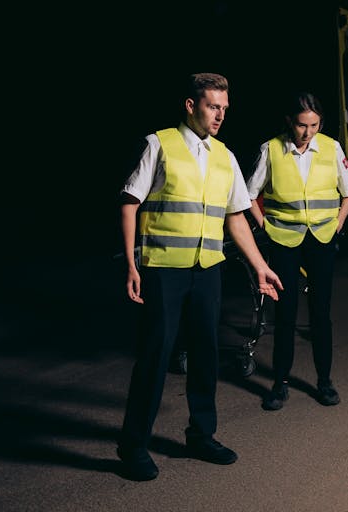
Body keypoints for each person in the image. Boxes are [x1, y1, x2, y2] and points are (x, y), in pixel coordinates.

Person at [116, 72, 283, 482]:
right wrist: (132, 264)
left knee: (206, 354)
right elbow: (130, 203)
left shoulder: (225, 156)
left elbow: (236, 218)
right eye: (213, 107)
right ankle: (133, 446)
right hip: (164, 269)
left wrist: (260, 265)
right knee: (156, 355)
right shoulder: (159, 144)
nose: (220, 115)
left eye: (224, 108)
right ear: (191, 106)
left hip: (208, 270)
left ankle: (201, 435)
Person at [247, 91, 348, 411]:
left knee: (321, 313)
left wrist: (337, 224)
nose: (308, 132)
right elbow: (249, 195)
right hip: (284, 240)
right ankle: (279, 383)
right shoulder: (271, 149)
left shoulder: (331, 148)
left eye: (314, 125)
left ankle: (324, 382)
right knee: (285, 313)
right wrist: (265, 227)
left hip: (321, 239)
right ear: (289, 122)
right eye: (301, 125)